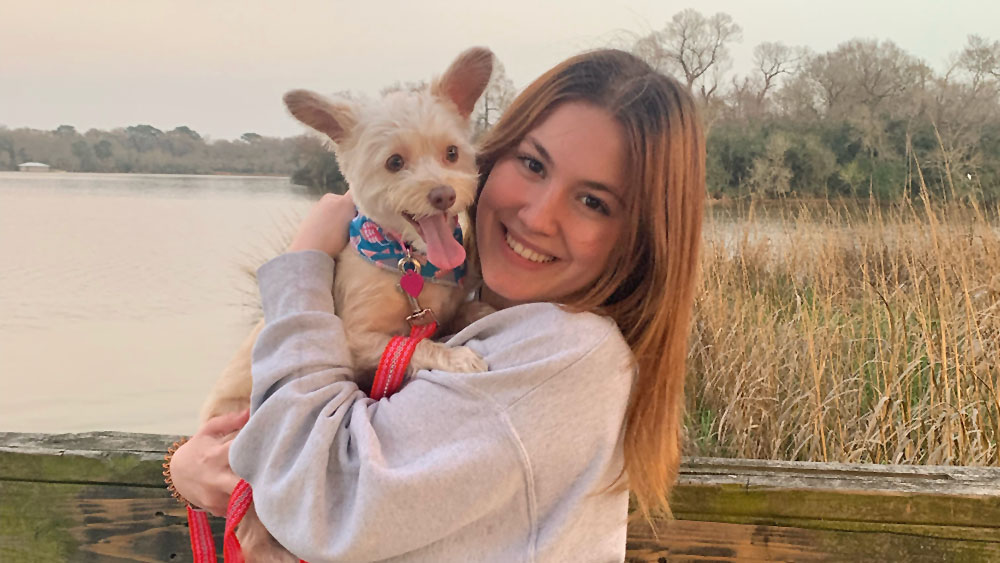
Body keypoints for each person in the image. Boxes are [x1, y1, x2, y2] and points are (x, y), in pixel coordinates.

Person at [168, 48, 705, 562]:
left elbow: (320, 498)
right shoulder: (478, 301)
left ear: (643, 235)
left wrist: (302, 260)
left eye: (593, 202)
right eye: (532, 165)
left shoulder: (562, 357)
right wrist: (186, 467)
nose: (538, 218)